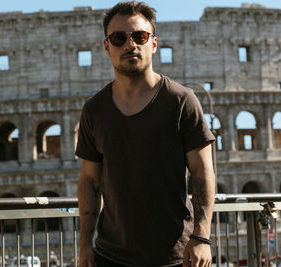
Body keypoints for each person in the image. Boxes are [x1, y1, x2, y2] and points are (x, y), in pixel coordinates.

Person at [75, 1, 216, 267]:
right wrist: (85, 244)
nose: (130, 45)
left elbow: (202, 172)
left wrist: (202, 237)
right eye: (118, 38)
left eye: (140, 36)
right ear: (107, 47)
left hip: (175, 255)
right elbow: (89, 181)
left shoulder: (182, 101)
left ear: (153, 43)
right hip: (110, 255)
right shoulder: (94, 110)